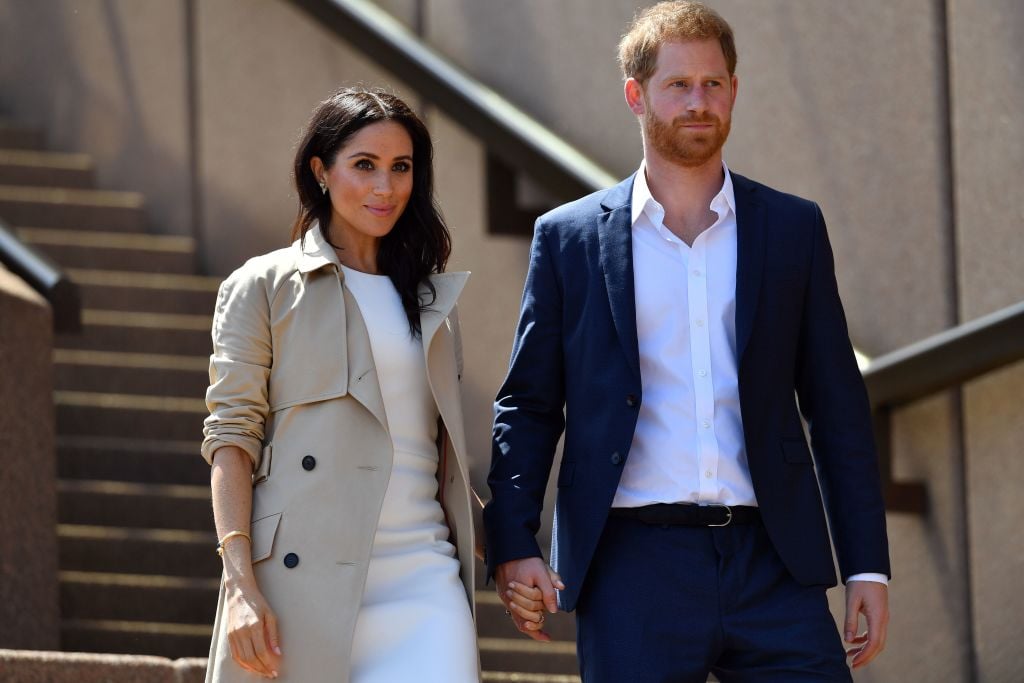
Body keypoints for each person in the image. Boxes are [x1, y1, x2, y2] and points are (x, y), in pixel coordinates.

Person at [484, 3, 891, 681]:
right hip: (632, 565)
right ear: (635, 94)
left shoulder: (791, 228)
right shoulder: (569, 239)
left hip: (775, 560)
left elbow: (838, 407)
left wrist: (866, 564)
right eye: (678, 85)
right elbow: (527, 403)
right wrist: (513, 540)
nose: (699, 101)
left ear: (734, 90)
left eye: (714, 83)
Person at [201, 88, 541, 682]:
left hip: (423, 581)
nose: (385, 188)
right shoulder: (264, 286)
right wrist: (239, 586)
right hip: (296, 588)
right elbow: (231, 440)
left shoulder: (433, 300)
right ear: (320, 171)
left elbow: (436, 461)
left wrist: (511, 552)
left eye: (401, 168)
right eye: (364, 165)